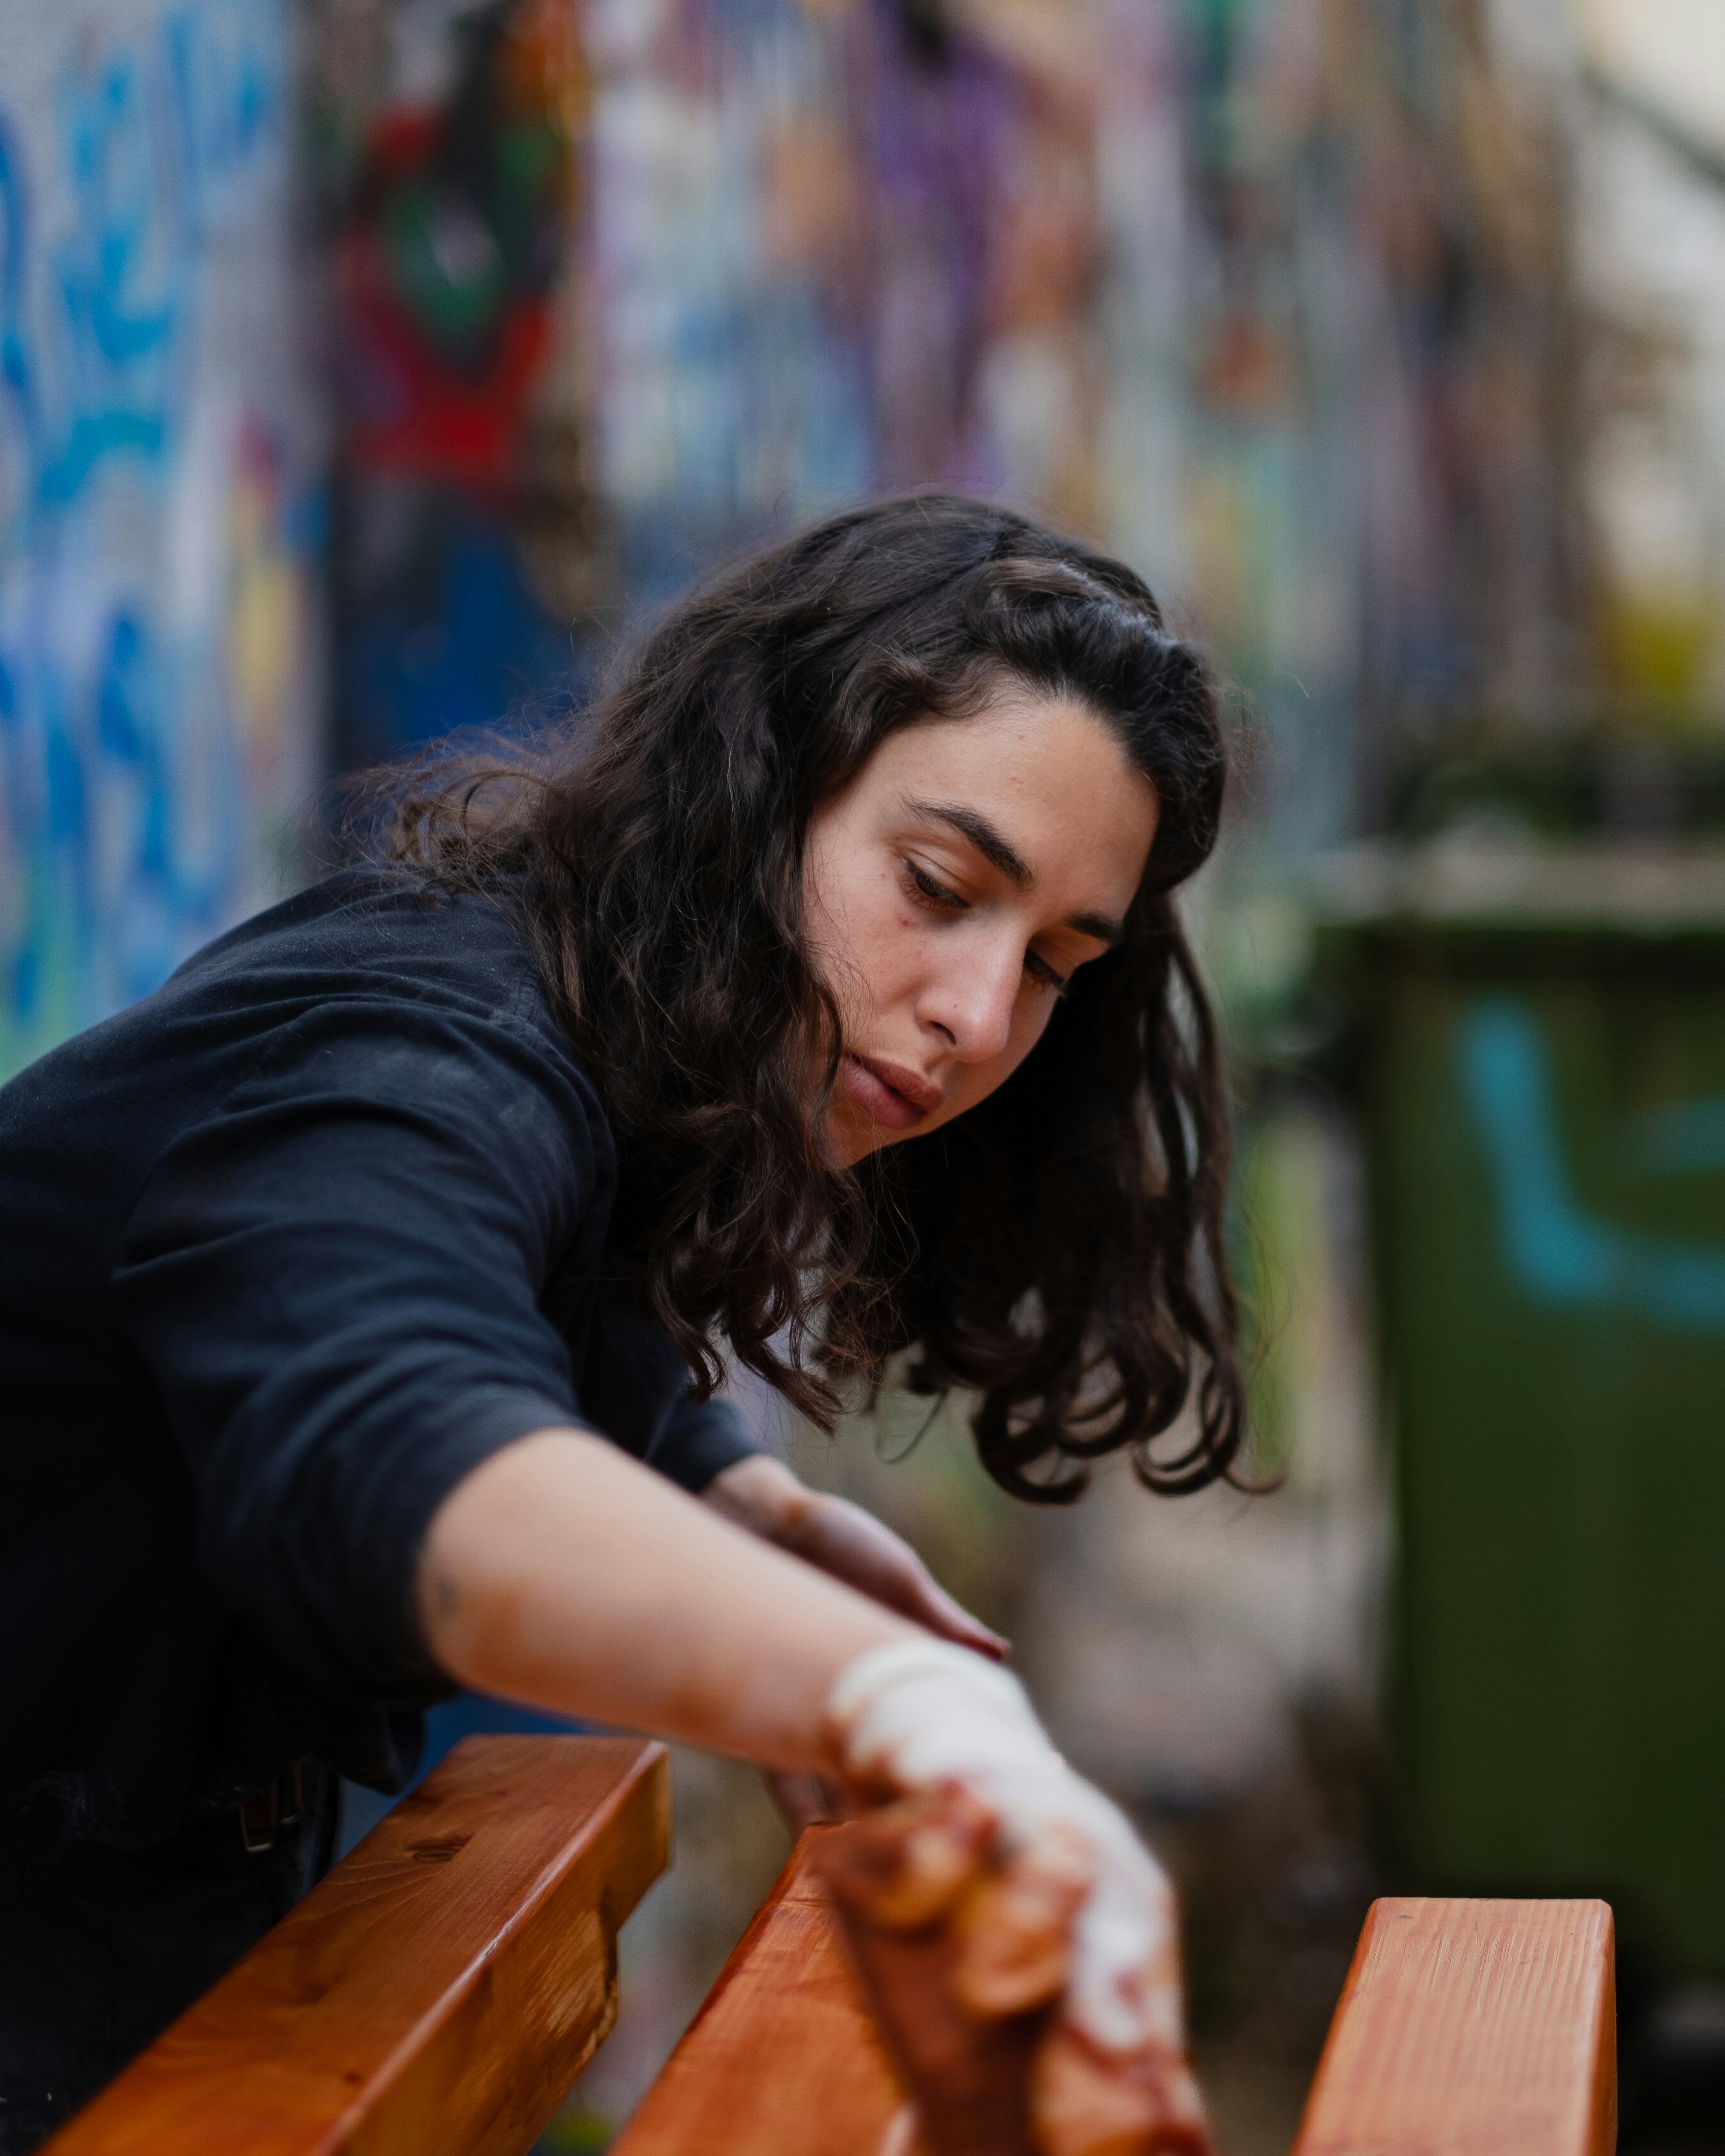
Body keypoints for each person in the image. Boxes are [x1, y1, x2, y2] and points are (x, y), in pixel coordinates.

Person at [0, 494, 1243, 2152]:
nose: (974, 1013)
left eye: (1053, 964)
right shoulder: (411, 1047)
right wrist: (890, 1697)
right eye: (939, 883)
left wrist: (731, 1500)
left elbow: (539, 1287)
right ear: (757, 785)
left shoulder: (587, 1011)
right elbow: (386, 1435)